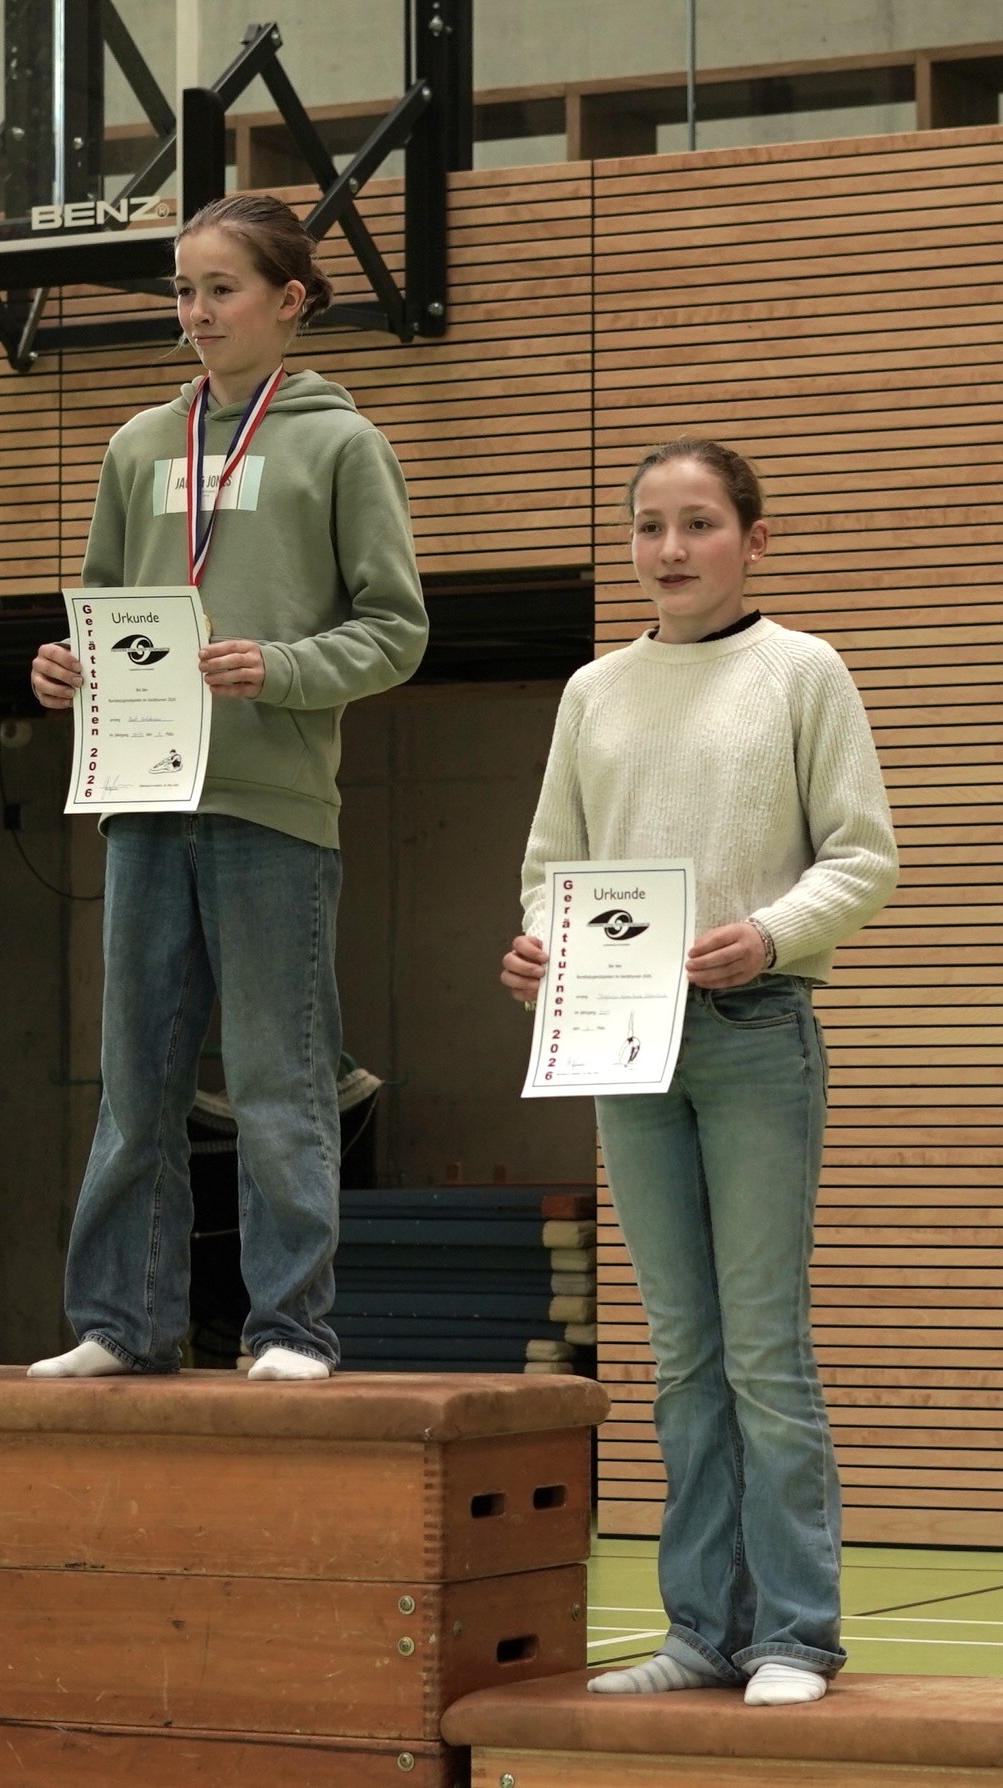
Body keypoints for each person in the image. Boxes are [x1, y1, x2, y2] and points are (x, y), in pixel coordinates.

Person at [502, 440, 897, 1707]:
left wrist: (770, 933)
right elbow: (549, 864)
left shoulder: (802, 674)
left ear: (752, 540)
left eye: (697, 525)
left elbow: (860, 855)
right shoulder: (590, 690)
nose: (668, 550)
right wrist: (538, 954)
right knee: (676, 1350)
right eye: (647, 527)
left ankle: (792, 1635)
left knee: (761, 1350)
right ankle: (697, 1635)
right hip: (622, 1042)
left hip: (754, 1034)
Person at [27, 192, 427, 1383]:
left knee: (275, 1081)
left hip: (271, 810)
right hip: (142, 800)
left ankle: (287, 1330)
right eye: (182, 290)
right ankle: (120, 1321)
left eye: (222, 289)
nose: (197, 312)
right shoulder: (135, 446)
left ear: (290, 300)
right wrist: (63, 668)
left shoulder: (341, 445)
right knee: (132, 1081)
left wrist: (284, 667)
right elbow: (100, 610)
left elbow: (396, 631)